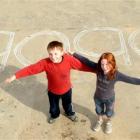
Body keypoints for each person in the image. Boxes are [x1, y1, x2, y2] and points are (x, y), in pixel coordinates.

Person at [5, 41, 95, 124]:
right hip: (52, 91)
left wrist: (95, 70)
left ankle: (70, 113)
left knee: (68, 104)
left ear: (62, 52)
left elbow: (81, 66)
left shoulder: (69, 60)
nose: (53, 57)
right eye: (50, 54)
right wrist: (15, 76)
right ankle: (54, 115)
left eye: (56, 54)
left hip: (67, 90)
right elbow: (31, 69)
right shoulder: (45, 63)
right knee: (53, 107)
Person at [73, 52, 140, 134]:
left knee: (109, 112)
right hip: (98, 97)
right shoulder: (98, 69)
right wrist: (74, 54)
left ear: (112, 63)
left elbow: (131, 79)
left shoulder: (116, 74)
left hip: (109, 99)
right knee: (99, 110)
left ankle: (108, 122)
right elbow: (86, 61)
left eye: (107, 64)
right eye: (102, 64)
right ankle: (100, 120)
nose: (104, 67)